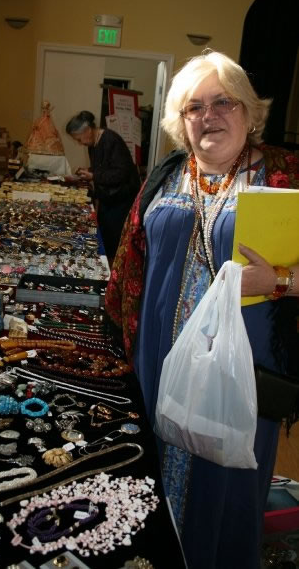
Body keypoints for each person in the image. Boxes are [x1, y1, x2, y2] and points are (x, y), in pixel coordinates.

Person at [105, 51, 299, 569]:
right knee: (150, 473)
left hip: (241, 370)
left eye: (223, 103)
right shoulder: (166, 175)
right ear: (181, 120)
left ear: (250, 112)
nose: (209, 115)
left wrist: (279, 281)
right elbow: (130, 266)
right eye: (194, 107)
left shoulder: (286, 176)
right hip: (157, 359)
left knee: (226, 486)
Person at [66, 110, 141, 261]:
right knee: (104, 234)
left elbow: (121, 174)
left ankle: (111, 269)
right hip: (108, 197)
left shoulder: (111, 140)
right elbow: (103, 167)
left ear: (88, 130)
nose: (80, 143)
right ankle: (105, 264)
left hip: (121, 200)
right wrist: (86, 172)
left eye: (79, 139)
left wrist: (93, 175)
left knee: (113, 240)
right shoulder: (93, 143)